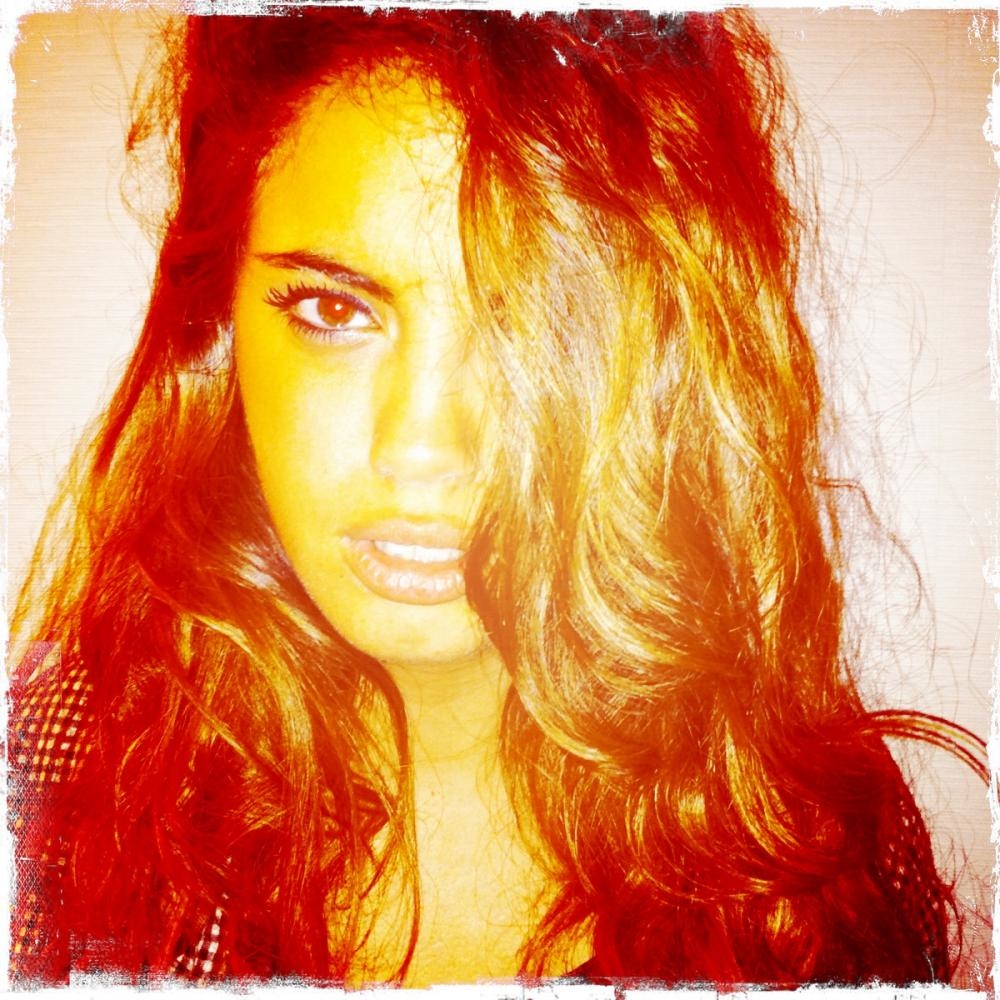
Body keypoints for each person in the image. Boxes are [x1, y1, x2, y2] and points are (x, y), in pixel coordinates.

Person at [8, 7, 989, 988]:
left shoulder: (811, 844)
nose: (421, 450)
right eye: (334, 309)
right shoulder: (67, 763)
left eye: (527, 323)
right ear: (217, 331)